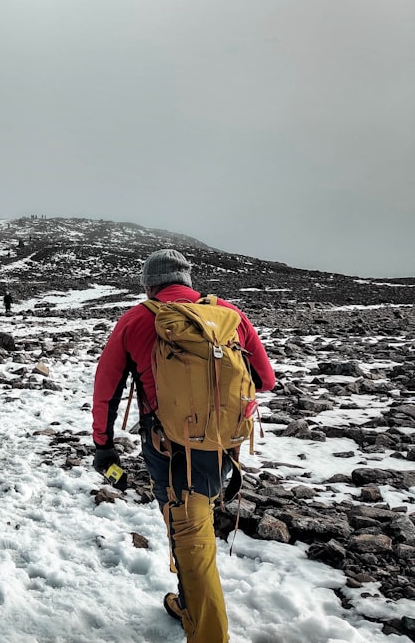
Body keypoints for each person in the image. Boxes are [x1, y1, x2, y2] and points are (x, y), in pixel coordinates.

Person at [91, 249, 275, 643]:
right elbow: (265, 380)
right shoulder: (228, 314)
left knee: (192, 538)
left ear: (148, 284)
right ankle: (190, 603)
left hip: (170, 449)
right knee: (193, 522)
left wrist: (103, 446)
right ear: (188, 282)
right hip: (223, 446)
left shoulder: (138, 319)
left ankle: (208, 633)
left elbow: (107, 389)